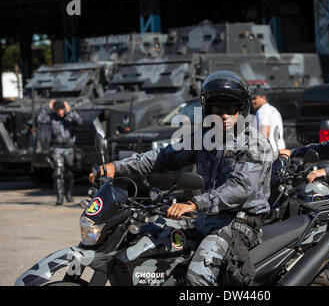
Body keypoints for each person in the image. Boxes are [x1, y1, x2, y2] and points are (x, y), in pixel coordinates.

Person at [89, 70, 273, 286]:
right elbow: (162, 157)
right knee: (151, 250)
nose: (224, 114)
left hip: (240, 223)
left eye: (230, 108)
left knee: (198, 276)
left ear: (241, 109)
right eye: (218, 108)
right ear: (208, 110)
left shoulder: (255, 144)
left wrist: (194, 203)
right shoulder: (205, 138)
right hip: (207, 219)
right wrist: (116, 167)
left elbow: (240, 188)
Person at [37, 99, 83, 205]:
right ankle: (59, 197)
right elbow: (40, 119)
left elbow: (80, 121)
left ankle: (69, 194)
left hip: (69, 148)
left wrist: (69, 110)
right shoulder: (51, 117)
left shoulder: (70, 117)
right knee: (58, 173)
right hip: (56, 148)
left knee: (69, 172)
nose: (60, 112)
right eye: (57, 110)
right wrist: (47, 108)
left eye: (61, 109)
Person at [251, 87, 286, 154]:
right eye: (251, 99)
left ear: (263, 97)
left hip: (270, 153)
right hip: (280, 149)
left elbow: (265, 131)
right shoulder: (273, 109)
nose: (252, 101)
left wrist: (263, 151)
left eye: (255, 98)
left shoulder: (262, 111)